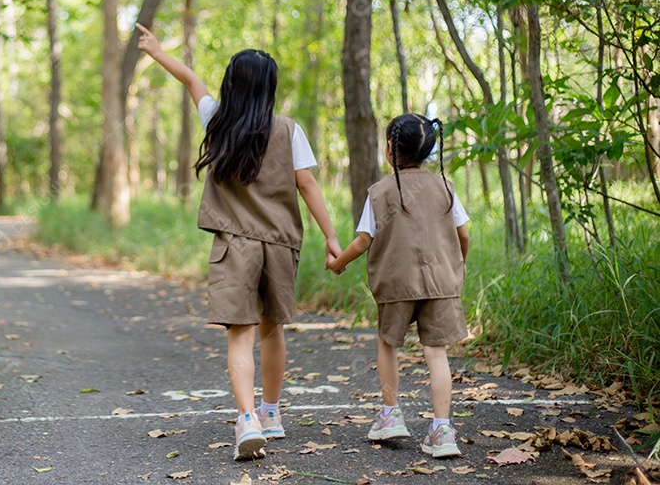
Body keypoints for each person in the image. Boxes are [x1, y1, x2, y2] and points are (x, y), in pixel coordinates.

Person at [135, 23, 341, 461]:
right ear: (270, 89)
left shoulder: (217, 120)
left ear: (231, 84)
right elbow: (308, 186)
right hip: (281, 245)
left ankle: (246, 418)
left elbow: (191, 78)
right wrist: (332, 237)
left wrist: (154, 50)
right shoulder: (289, 130)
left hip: (234, 246)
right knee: (272, 330)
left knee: (239, 334)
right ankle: (271, 413)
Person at [328, 113, 471, 458]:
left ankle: (390, 414)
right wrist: (459, 262)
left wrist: (338, 262)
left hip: (396, 283)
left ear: (390, 149)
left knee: (388, 342)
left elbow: (364, 240)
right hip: (441, 282)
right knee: (436, 352)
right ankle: (442, 429)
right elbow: (463, 233)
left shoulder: (380, 191)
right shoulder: (445, 187)